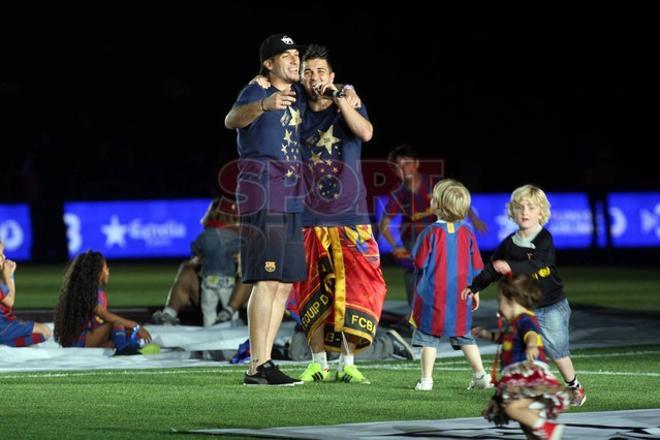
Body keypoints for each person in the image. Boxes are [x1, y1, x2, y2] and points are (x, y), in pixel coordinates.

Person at [287, 44, 386, 385]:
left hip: (352, 217)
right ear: (301, 77)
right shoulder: (294, 106)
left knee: (360, 290)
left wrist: (342, 97)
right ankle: (318, 363)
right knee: (311, 290)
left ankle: (347, 362)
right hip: (308, 217)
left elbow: (367, 133)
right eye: (308, 72)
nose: (314, 78)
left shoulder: (349, 104)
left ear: (331, 76)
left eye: (320, 72)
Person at [224, 33, 308, 386]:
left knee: (285, 282)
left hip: (291, 196)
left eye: (295, 55)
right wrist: (263, 105)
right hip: (265, 194)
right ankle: (256, 365)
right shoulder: (256, 92)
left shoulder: (297, 95)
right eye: (285, 55)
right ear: (268, 63)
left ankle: (266, 361)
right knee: (267, 278)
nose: (293, 59)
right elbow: (231, 120)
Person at [461, 184, 587, 406]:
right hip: (525, 308)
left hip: (551, 304)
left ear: (541, 212)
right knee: (520, 347)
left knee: (556, 349)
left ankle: (574, 386)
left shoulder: (544, 239)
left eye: (530, 207)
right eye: (520, 207)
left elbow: (539, 264)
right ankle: (527, 388)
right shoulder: (509, 243)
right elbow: (492, 268)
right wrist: (475, 286)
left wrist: (509, 266)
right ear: (512, 212)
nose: (525, 212)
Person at [409, 179, 491, 391]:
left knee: (429, 337)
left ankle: (426, 380)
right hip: (461, 296)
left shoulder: (430, 233)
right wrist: (476, 291)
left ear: (440, 205)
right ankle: (481, 375)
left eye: (434, 197)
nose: (431, 199)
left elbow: (418, 262)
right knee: (465, 336)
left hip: (433, 296)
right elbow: (476, 266)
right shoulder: (468, 233)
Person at [380, 144, 487, 306]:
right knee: (414, 274)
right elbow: (384, 225)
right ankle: (415, 314)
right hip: (413, 241)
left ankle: (446, 309)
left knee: (445, 273)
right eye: (399, 166)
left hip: (439, 237)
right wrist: (395, 246)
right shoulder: (398, 192)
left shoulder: (434, 183)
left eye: (407, 163)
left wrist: (474, 218)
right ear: (394, 170)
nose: (404, 168)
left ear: (416, 164)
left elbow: (457, 198)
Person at [473, 275, 569, 440]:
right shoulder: (515, 322)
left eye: (500, 300)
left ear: (513, 300)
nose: (499, 306)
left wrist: (531, 345)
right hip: (517, 375)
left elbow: (531, 333)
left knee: (511, 408)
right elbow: (505, 338)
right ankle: (540, 432)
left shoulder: (525, 319)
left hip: (526, 374)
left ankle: (548, 429)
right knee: (526, 424)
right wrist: (485, 334)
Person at [53, 250, 158, 354]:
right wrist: (135, 325)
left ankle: (128, 347)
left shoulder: (86, 292)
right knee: (116, 324)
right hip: (78, 341)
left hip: (81, 339)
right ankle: (124, 351)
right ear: (98, 271)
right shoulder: (89, 293)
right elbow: (104, 315)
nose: (108, 271)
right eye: (106, 267)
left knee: (121, 335)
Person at [0, 240, 52, 347]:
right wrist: (9, 276)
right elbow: (10, 302)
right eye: (0, 254)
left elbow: (7, 303)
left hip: (5, 325)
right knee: (45, 332)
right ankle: (6, 343)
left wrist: (9, 276)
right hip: (2, 328)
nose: (3, 257)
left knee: (33, 341)